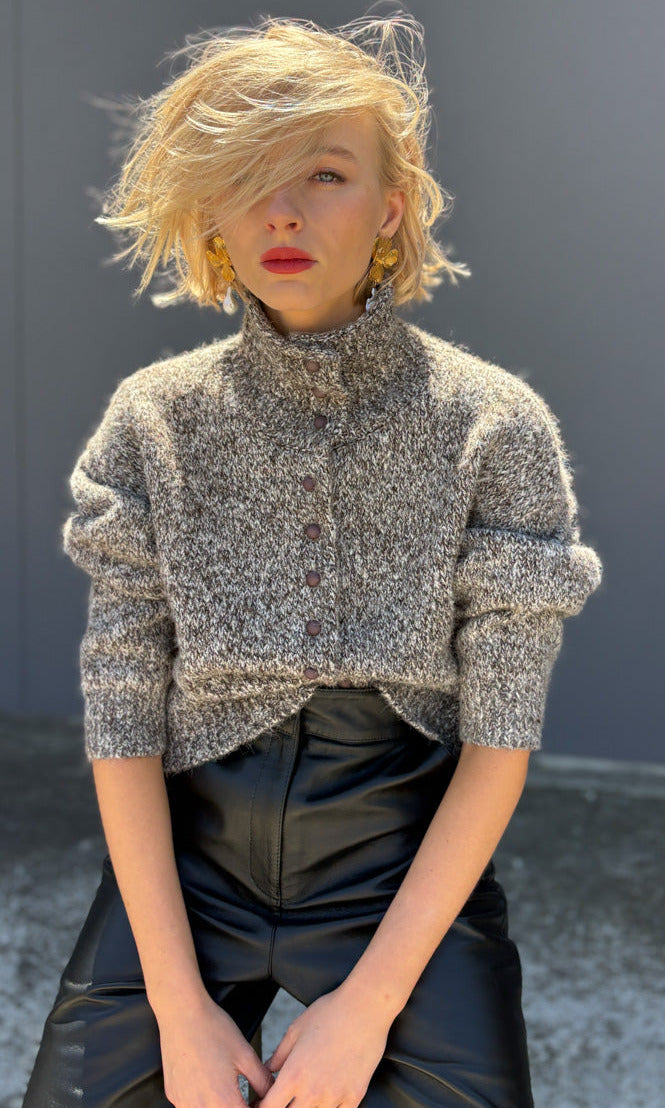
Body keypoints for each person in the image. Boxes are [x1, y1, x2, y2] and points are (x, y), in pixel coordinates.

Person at [21, 10, 603, 1108]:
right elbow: (123, 717)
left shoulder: (493, 425)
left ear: (389, 206)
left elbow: (498, 740)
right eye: (247, 178)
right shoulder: (152, 421)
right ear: (211, 210)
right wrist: (180, 1011)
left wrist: (368, 1008)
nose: (281, 211)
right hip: (188, 870)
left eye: (324, 174)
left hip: (399, 876)